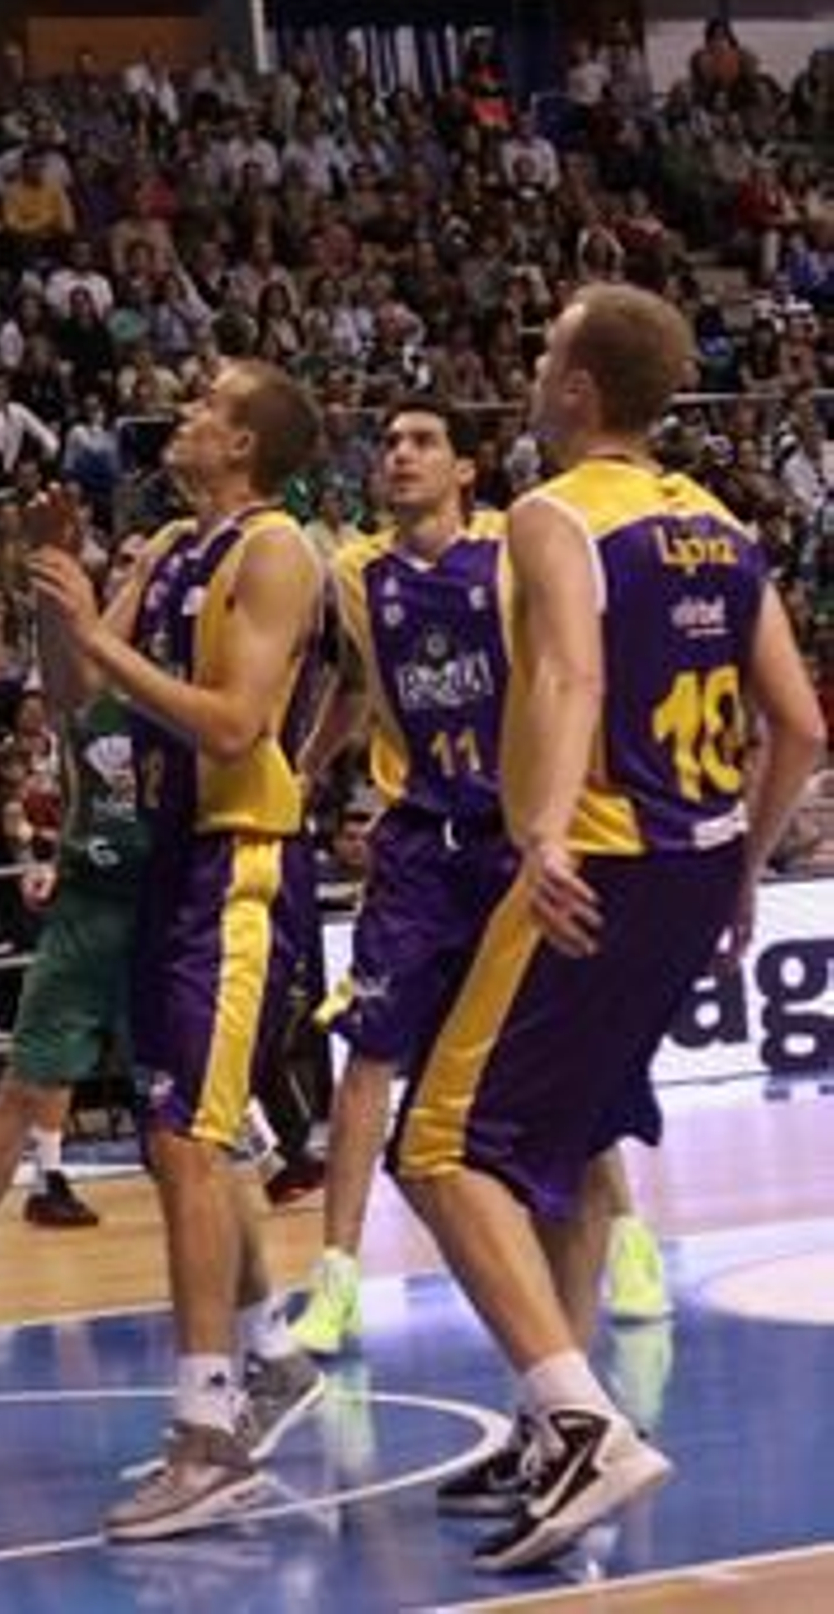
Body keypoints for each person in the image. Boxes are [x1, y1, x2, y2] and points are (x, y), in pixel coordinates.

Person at [391, 285, 826, 1572]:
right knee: (575, 1140)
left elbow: (573, 673)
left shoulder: (551, 511)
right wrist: (742, 864)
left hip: (598, 859)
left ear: (579, 389)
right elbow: (797, 723)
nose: (531, 366)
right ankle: (553, 1422)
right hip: (692, 864)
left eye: (544, 352)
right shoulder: (716, 521)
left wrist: (541, 831)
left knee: (440, 1145)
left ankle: (579, 1419)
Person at [31, 359, 328, 1541]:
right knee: (180, 1145)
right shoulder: (161, 548)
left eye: (209, 403)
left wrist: (102, 647)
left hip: (236, 861)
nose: (185, 412)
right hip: (162, 861)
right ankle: (265, 1358)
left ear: (246, 443)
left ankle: (207, 1437)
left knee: (186, 1140)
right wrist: (61, 602)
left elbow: (234, 720)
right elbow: (74, 702)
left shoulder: (276, 549)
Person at [292, 400, 520, 1353]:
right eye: (389, 443)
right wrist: (300, 770)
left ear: (465, 467)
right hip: (421, 841)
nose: (400, 456)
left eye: (423, 441)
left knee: (543, 1051)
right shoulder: (354, 572)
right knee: (368, 1051)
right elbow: (351, 682)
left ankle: (625, 1229)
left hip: (516, 833)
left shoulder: (515, 548)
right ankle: (336, 1276)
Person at [0, 522, 152, 1341]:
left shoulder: (187, 663)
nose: (131, 571)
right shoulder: (87, 667)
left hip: (167, 902)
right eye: (120, 560)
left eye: (141, 561)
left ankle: (249, 1316)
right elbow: (63, 679)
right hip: (92, 901)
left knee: (190, 1120)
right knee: (22, 1084)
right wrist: (58, 577)